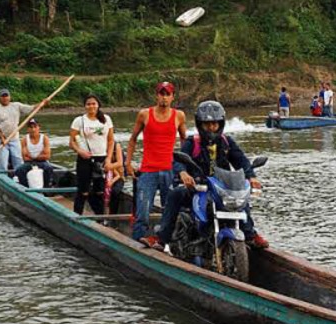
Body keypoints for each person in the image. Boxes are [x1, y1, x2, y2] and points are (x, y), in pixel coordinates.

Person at [160, 99, 268, 250]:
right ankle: (160, 239)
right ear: (200, 124)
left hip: (222, 189)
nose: (211, 128)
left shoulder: (226, 142)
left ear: (221, 124)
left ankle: (250, 236)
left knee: (241, 201)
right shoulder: (193, 143)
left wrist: (251, 176)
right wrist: (183, 173)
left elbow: (241, 161)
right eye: (207, 124)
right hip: (198, 188)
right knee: (174, 195)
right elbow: (178, 160)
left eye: (215, 124)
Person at [125, 81, 187, 245]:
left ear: (173, 97)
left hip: (169, 171)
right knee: (143, 212)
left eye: (167, 94)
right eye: (161, 93)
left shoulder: (179, 116)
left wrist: (185, 167)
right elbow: (132, 140)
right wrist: (128, 163)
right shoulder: (145, 114)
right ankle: (137, 244)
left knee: (170, 212)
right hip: (148, 171)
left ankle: (167, 245)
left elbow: (184, 142)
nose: (164, 97)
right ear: (156, 95)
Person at [69, 94, 114, 215]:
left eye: (94, 103)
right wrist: (80, 151)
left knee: (100, 190)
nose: (91, 106)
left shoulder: (106, 119)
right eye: (88, 104)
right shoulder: (79, 121)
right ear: (85, 106)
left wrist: (109, 158)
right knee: (83, 190)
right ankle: (77, 216)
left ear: (98, 105)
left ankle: (100, 217)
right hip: (85, 158)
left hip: (101, 158)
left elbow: (110, 140)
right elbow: (72, 142)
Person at [0, 88, 35, 175]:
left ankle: (19, 177)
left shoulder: (16, 106)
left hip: (14, 138)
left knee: (18, 159)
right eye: (3, 96)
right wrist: (2, 138)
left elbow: (30, 108)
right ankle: (4, 177)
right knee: (3, 161)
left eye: (6, 96)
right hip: (1, 140)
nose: (5, 98)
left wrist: (42, 103)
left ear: (9, 97)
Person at [12, 119, 54, 187]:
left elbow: (47, 156)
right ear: (28, 129)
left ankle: (47, 188)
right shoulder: (24, 140)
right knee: (19, 170)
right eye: (31, 127)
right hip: (28, 163)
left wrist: (32, 156)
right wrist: (40, 155)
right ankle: (25, 187)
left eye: (35, 127)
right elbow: (25, 158)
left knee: (49, 168)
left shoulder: (44, 138)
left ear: (39, 128)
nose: (33, 129)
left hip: (42, 162)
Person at [103, 135, 127, 215]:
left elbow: (120, 170)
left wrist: (113, 180)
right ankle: (101, 213)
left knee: (115, 191)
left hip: (119, 174)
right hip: (108, 173)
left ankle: (112, 215)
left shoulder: (116, 147)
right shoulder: (100, 147)